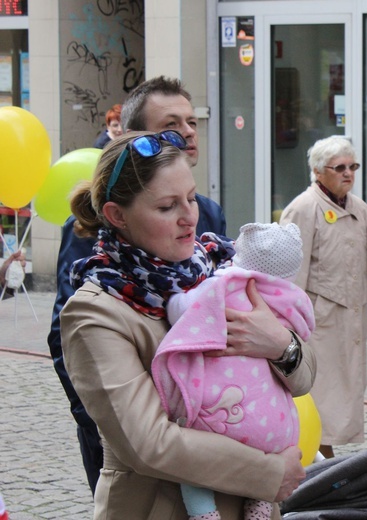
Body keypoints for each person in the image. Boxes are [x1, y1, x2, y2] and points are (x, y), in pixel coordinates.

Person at [61, 132, 315, 518]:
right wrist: (268, 474)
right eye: (167, 207)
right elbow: (147, 443)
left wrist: (280, 344)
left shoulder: (223, 268)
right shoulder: (96, 313)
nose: (189, 217)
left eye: (191, 198)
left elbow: (306, 378)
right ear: (117, 215)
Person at [47, 76, 227, 495]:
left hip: (214, 434)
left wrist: (280, 347)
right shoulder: (94, 235)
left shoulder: (209, 216)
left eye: (191, 121)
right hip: (136, 452)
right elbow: (68, 333)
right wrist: (98, 421)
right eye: (170, 125)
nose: (185, 132)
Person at [153, 221, 314, 520]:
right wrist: (285, 339)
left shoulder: (221, 284)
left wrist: (172, 299)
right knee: (265, 447)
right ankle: (260, 504)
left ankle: (203, 514)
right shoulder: (292, 298)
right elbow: (307, 332)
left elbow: (180, 309)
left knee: (193, 467)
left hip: (219, 410)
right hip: (272, 422)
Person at [279, 136, 367, 459]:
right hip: (319, 326)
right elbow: (291, 275)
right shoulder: (303, 208)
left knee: (344, 397)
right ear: (319, 172)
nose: (348, 174)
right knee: (319, 398)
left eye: (353, 167)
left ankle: (325, 462)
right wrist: (293, 327)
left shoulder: (359, 207)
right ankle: (321, 463)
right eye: (340, 168)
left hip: (351, 323)